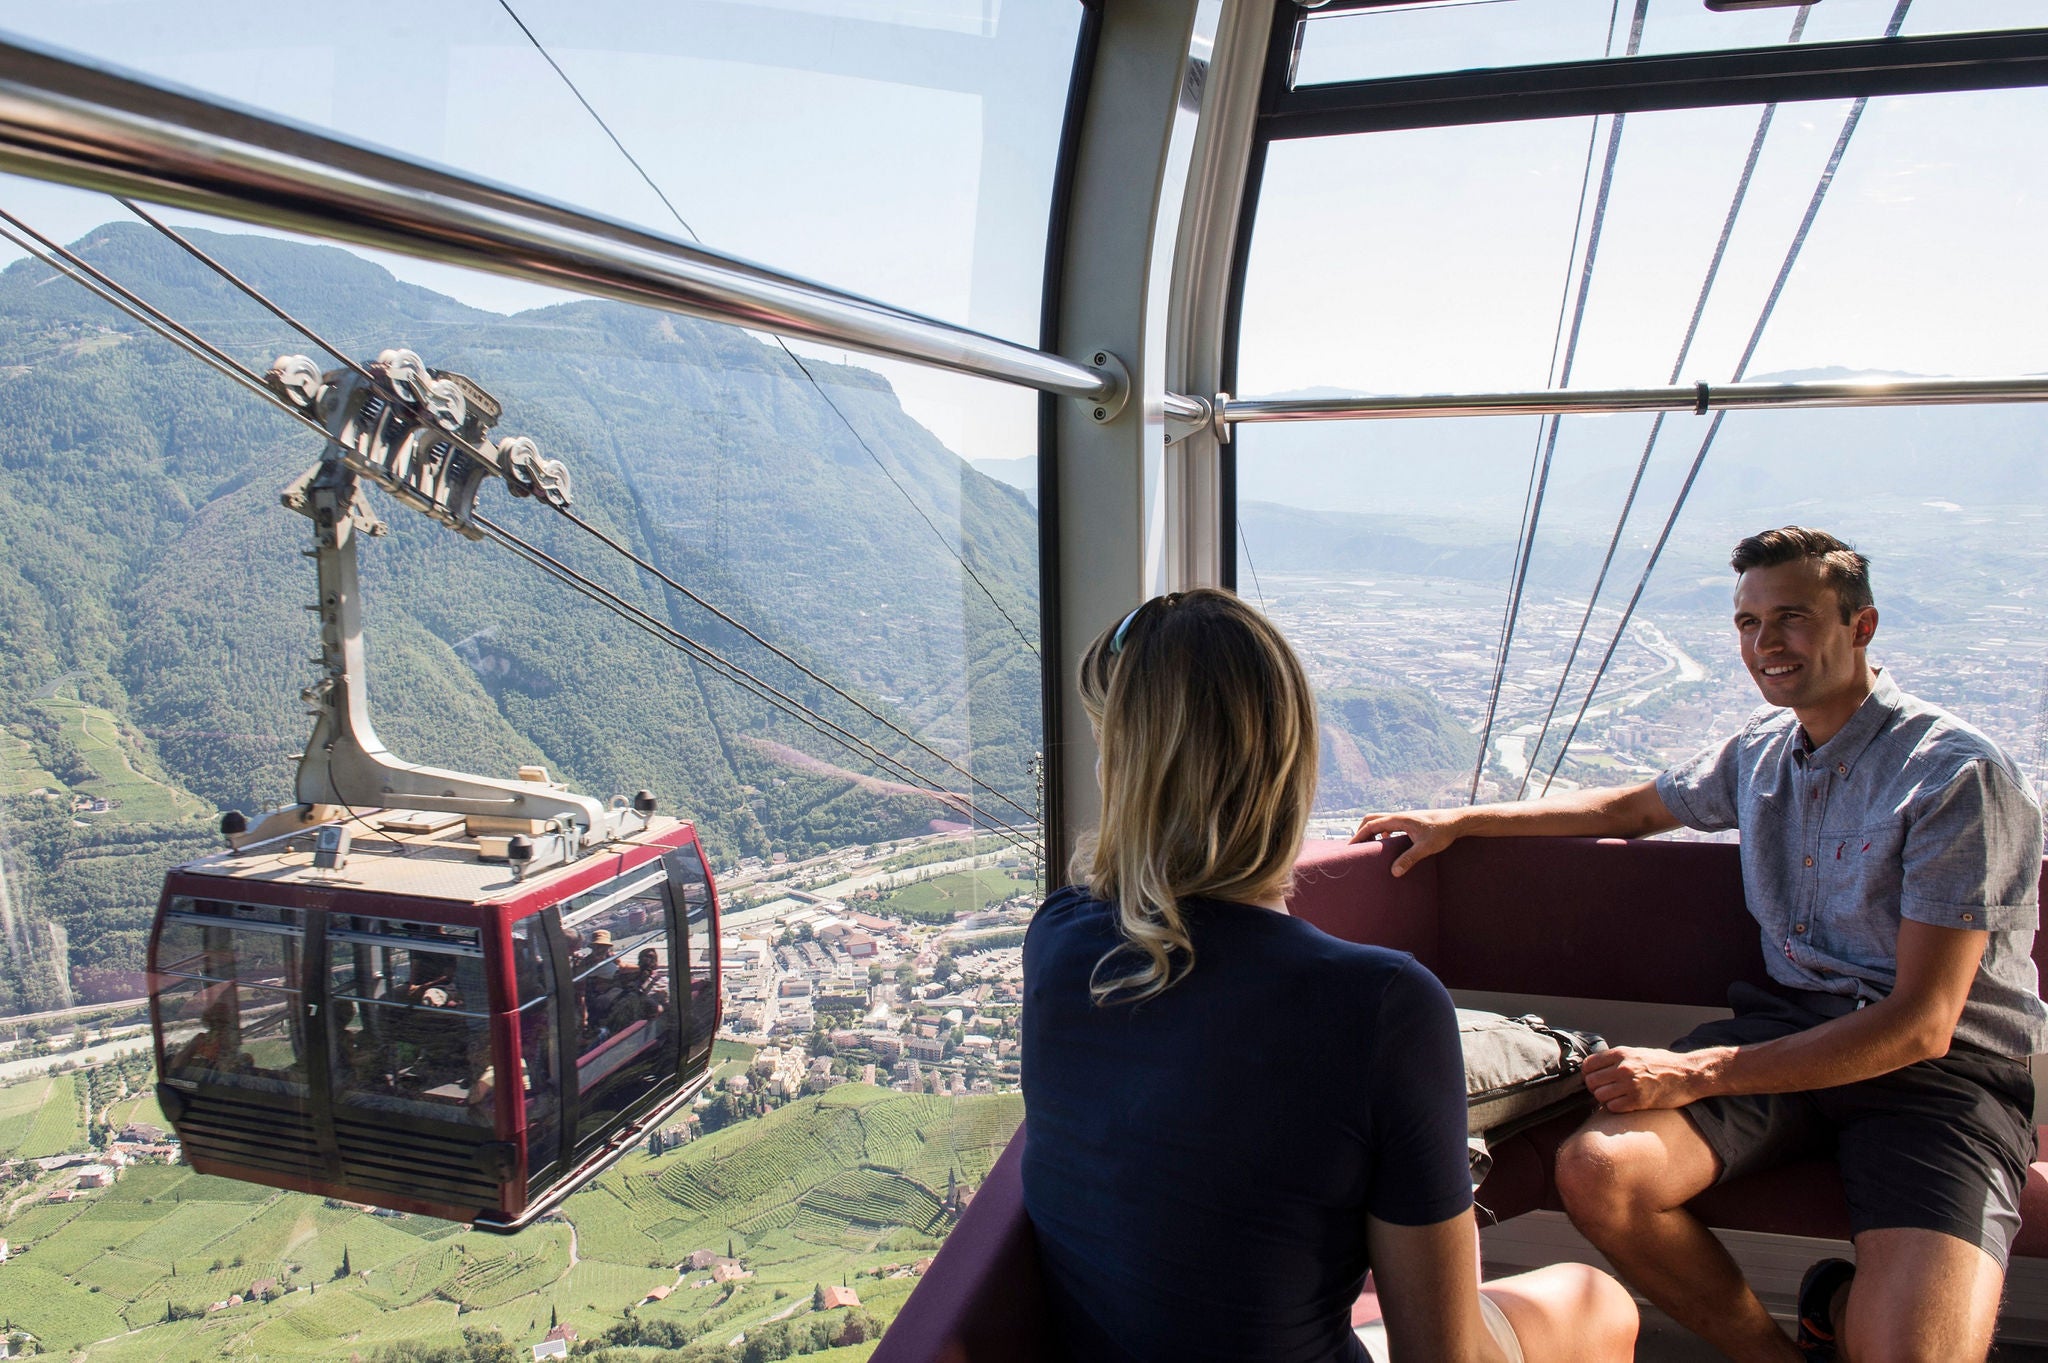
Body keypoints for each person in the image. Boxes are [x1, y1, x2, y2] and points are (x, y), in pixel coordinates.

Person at [1356, 527, 2047, 1363]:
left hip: (1936, 1078)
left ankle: (1846, 1308)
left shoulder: (1953, 776)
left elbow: (1921, 1025)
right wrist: (1462, 820)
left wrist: (1695, 1071)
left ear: (1861, 627)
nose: (1766, 645)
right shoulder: (1762, 752)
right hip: (1785, 1034)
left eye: (1791, 617)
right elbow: (1628, 810)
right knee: (1600, 1170)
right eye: (1748, 623)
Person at [1024, 588, 1637, 1363]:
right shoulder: (1383, 1004)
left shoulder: (1057, 939)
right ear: (1289, 759)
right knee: (1600, 1302)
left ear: (1124, 768)